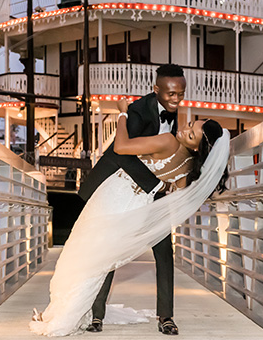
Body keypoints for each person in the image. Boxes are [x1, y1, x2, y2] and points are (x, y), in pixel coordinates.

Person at [29, 101, 230, 336]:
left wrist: (122, 113)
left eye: (192, 134)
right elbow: (173, 194)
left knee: (82, 252)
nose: (185, 129)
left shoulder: (169, 141)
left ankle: (64, 314)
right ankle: (74, 312)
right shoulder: (190, 170)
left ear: (198, 148)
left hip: (115, 194)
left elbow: (121, 146)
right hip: (138, 208)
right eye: (190, 125)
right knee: (100, 258)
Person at [80, 64, 187, 335]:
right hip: (119, 186)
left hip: (149, 191)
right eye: (171, 94)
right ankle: (96, 315)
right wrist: (159, 184)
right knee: (110, 249)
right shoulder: (139, 111)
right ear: (156, 89)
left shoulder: (173, 111)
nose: (176, 99)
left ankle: (166, 317)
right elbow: (123, 152)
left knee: (164, 250)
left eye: (180, 94)